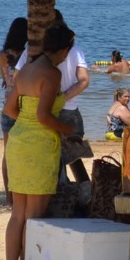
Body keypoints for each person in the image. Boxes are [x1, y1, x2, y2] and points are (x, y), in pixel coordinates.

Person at [3, 23, 76, 260]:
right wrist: (67, 130)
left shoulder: (26, 70)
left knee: (17, 215)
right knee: (34, 215)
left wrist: (27, 125)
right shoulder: (52, 74)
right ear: (64, 49)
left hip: (18, 140)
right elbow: (44, 116)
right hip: (39, 146)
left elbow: (9, 109)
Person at [14, 10, 92, 183]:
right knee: (73, 157)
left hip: (43, 108)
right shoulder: (75, 49)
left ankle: (66, 189)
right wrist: (64, 97)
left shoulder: (34, 50)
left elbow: (17, 78)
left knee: (55, 159)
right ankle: (84, 189)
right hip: (69, 109)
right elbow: (84, 81)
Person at [0, 17, 28, 204]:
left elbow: (6, 79)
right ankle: (22, 193)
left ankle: (8, 196)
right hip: (24, 107)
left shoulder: (3, 54)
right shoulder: (28, 54)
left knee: (7, 153)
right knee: (25, 152)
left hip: (7, 105)